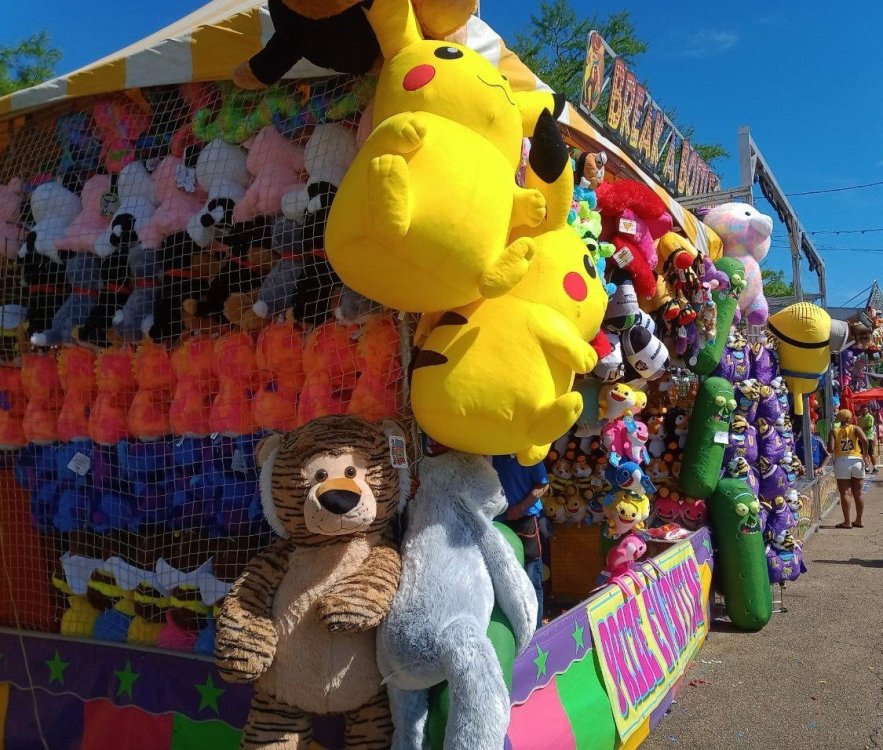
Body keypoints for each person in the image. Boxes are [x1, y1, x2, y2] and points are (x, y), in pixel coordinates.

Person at [492, 454, 548, 628]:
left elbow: (543, 485)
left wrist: (521, 507)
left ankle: (536, 627)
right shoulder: (491, 452)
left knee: (532, 577)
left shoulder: (529, 455)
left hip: (525, 521)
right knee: (503, 579)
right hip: (497, 521)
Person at [827, 409, 870, 529]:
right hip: (856, 459)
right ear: (850, 418)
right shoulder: (855, 428)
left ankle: (847, 522)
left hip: (842, 461)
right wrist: (865, 454)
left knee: (845, 492)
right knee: (858, 492)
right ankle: (859, 520)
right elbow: (865, 440)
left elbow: (830, 449)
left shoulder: (833, 431)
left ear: (839, 419)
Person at [858, 404, 878, 474]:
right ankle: (867, 467)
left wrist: (859, 430)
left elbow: (869, 427)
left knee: (871, 453)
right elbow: (858, 426)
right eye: (863, 409)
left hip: (868, 437)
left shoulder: (870, 417)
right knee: (863, 453)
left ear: (867, 409)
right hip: (861, 438)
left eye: (866, 409)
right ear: (861, 410)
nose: (864, 410)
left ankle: (875, 467)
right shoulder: (859, 418)